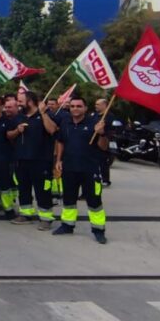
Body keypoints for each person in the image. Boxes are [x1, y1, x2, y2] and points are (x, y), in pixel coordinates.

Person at [53, 95, 110, 244]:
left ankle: (98, 230)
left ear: (85, 108)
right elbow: (60, 142)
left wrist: (102, 133)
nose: (75, 109)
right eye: (72, 106)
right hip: (69, 168)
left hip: (89, 169)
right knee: (69, 199)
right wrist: (59, 160)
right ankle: (67, 226)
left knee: (94, 201)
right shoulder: (65, 122)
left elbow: (103, 147)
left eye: (79, 106)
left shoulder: (95, 124)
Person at [9, 91, 59, 227]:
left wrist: (43, 114)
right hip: (21, 160)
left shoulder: (46, 114)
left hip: (41, 161)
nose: (18, 104)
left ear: (30, 101)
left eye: (20, 101)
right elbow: (9, 135)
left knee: (42, 191)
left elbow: (52, 130)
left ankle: (46, 218)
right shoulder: (19, 116)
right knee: (23, 189)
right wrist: (17, 131)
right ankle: (26, 214)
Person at [92, 97, 113, 187]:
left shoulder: (109, 116)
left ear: (104, 105)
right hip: (93, 141)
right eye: (96, 104)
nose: (95, 106)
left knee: (102, 161)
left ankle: (105, 180)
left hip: (103, 140)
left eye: (98, 104)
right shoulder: (94, 115)